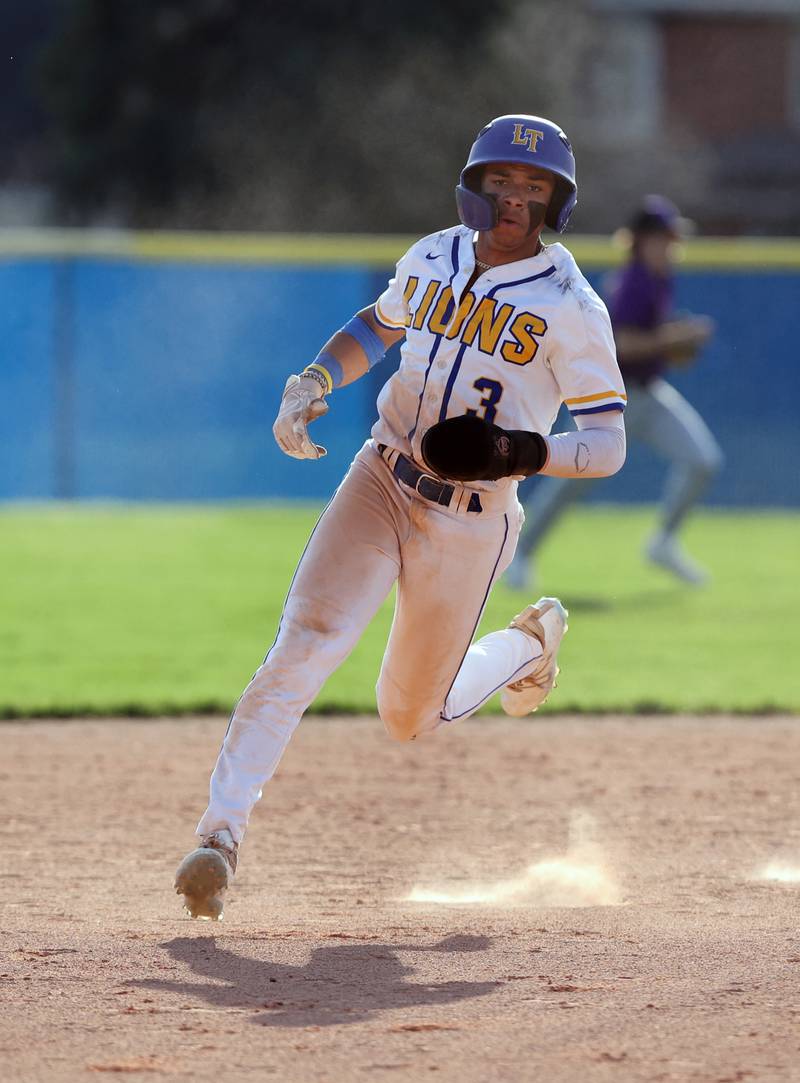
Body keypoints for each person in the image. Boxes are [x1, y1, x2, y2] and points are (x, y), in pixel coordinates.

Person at [174, 114, 627, 920]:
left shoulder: (571, 306)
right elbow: (378, 327)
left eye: (534, 189)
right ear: (473, 186)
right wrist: (312, 381)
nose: (515, 200)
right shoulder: (432, 254)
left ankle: (526, 645)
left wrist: (518, 452)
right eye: (501, 184)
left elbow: (608, 443)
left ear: (557, 203)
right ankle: (220, 837)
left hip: (474, 517)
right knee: (303, 644)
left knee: (410, 715)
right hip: (382, 474)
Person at [506, 195, 723, 591]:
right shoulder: (633, 282)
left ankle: (663, 542)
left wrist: (673, 346)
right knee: (571, 485)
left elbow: (651, 344)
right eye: (665, 238)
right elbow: (621, 344)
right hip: (610, 403)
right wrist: (674, 337)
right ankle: (518, 556)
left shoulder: (659, 278)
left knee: (703, 460)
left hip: (649, 393)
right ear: (642, 240)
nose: (673, 245)